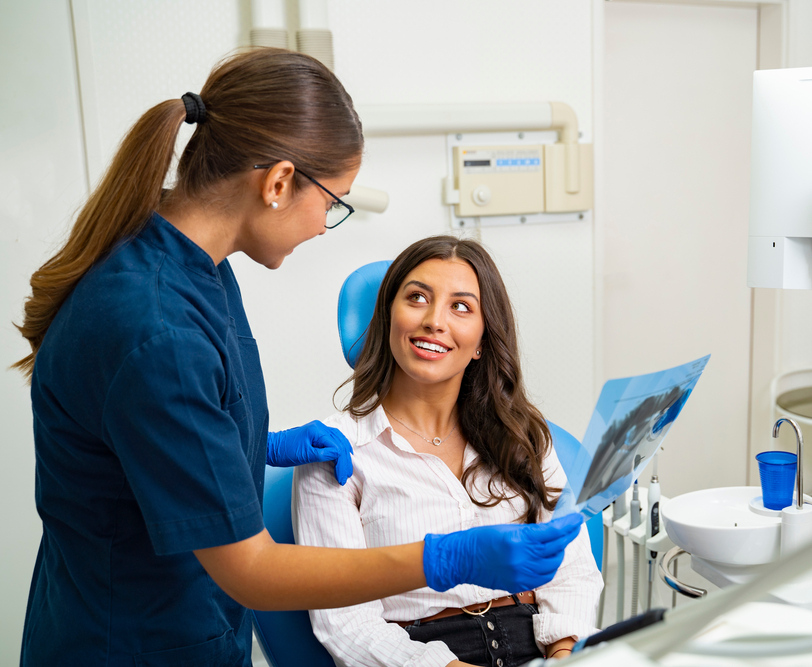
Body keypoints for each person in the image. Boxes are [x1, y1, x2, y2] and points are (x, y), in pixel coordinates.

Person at [14, 48, 583, 667]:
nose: (323, 225)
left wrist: (256, 444)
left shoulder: (195, 270)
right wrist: (448, 557)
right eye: (334, 202)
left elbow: (151, 430)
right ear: (279, 182)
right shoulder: (158, 326)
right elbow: (253, 573)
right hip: (130, 643)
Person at [293, 236, 603, 667]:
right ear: (388, 318)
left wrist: (564, 655)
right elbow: (345, 623)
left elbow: (572, 569)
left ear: (481, 341)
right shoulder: (333, 451)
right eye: (417, 298)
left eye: (461, 306)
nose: (434, 321)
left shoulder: (524, 435)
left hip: (539, 645)